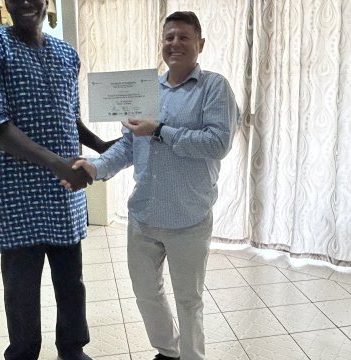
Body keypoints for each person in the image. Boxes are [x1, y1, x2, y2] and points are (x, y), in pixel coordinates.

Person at [62, 11, 239, 360]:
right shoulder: (147, 90)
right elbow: (129, 146)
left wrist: (160, 131)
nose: (174, 43)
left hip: (189, 217)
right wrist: (94, 167)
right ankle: (168, 351)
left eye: (183, 37)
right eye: (168, 37)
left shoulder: (214, 87)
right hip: (143, 215)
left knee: (189, 300)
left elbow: (218, 143)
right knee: (146, 292)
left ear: (199, 44)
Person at [0, 0, 116, 359]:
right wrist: (57, 165)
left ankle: (72, 347)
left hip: (65, 193)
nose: (26, 2)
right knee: (20, 288)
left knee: (71, 282)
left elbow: (69, 114)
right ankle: (22, 354)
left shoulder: (67, 54)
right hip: (18, 193)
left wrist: (101, 145)